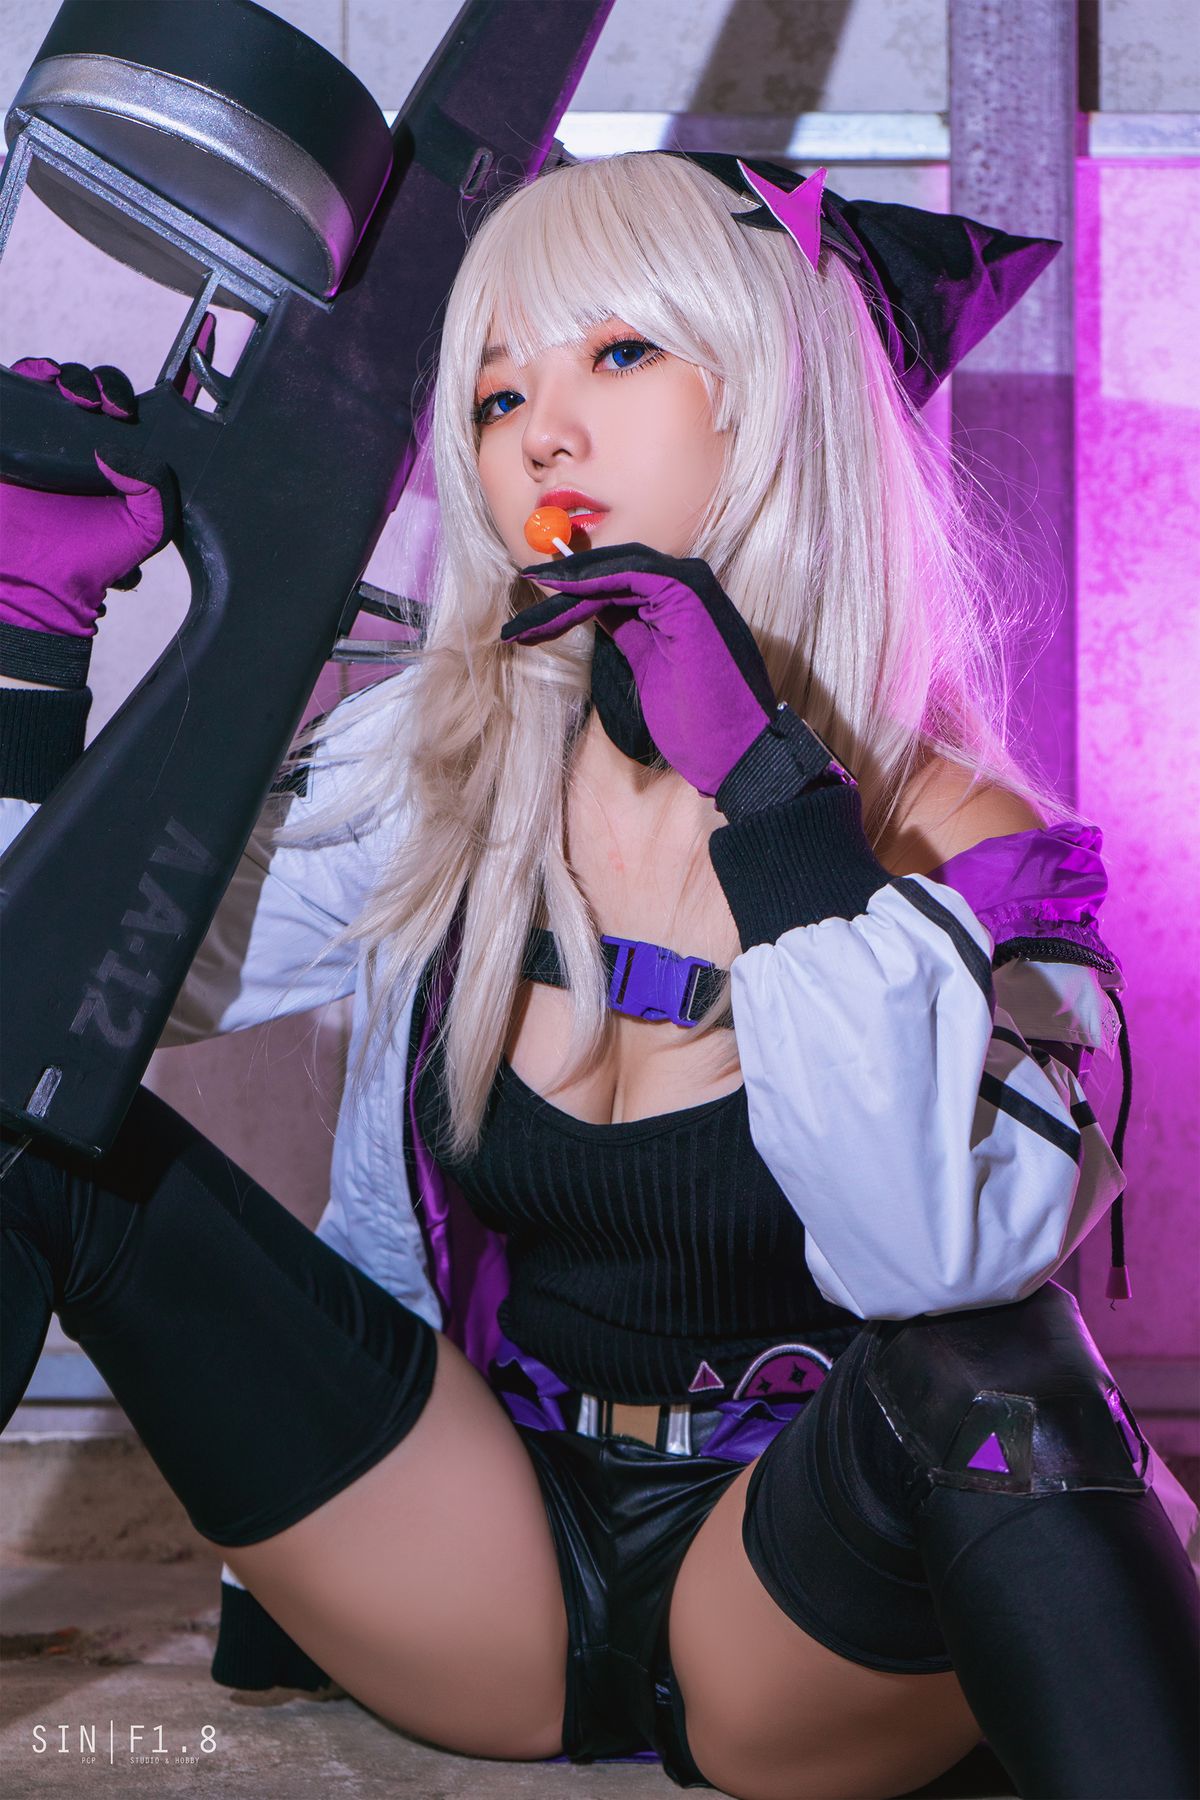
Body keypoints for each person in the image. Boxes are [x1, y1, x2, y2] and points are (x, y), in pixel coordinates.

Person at [1, 150, 1196, 1800]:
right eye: (498, 394)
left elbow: (937, 1265)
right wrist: (25, 645)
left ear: (781, 403)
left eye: (619, 353)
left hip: (801, 1602)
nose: (540, 434)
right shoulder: (446, 763)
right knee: (25, 1127)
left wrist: (773, 810)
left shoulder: (969, 840)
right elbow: (61, 1012)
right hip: (486, 1551)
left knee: (1003, 1377)